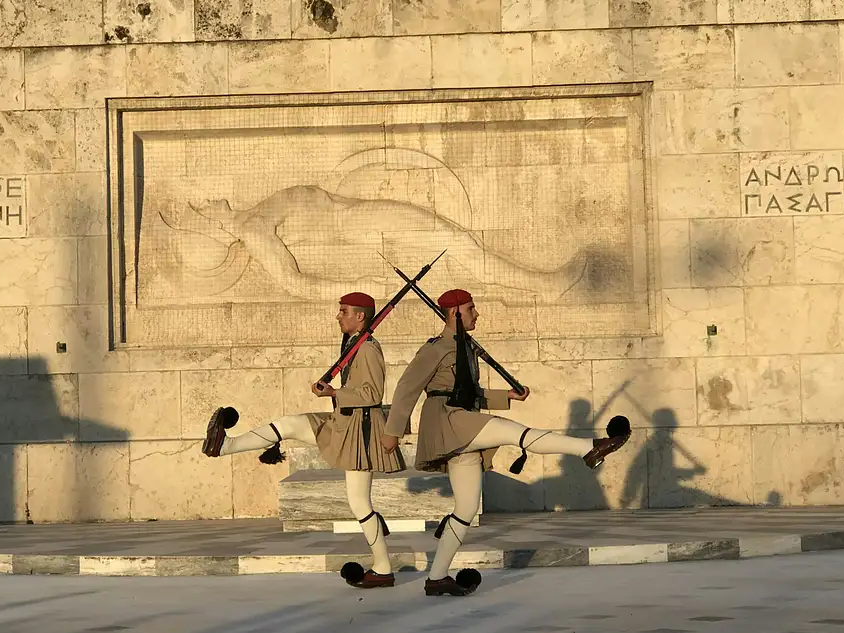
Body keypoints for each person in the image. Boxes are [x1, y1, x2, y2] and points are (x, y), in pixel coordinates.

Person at [381, 289, 632, 597]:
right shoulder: (435, 349)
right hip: (447, 420)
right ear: (455, 313)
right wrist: (393, 430)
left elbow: (470, 390)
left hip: (464, 416)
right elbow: (407, 387)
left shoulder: (466, 347)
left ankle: (437, 577)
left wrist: (506, 396)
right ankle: (590, 448)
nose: (477, 313)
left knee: (466, 508)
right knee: (514, 432)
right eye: (471, 308)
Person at [204, 291, 403, 589]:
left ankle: (383, 568)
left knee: (360, 503)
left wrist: (334, 393)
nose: (339, 316)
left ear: (360, 316)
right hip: (342, 424)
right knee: (289, 424)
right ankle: (226, 445)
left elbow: (373, 395)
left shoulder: (370, 349)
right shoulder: (354, 343)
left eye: (344, 311)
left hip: (359, 432)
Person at [163, 185, 587, 302]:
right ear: (214, 229)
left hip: (363, 213)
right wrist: (362, 287)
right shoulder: (253, 231)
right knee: (457, 242)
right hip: (362, 225)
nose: (208, 200)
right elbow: (298, 285)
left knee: (461, 242)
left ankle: (540, 284)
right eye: (201, 210)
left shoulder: (254, 212)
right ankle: (545, 285)